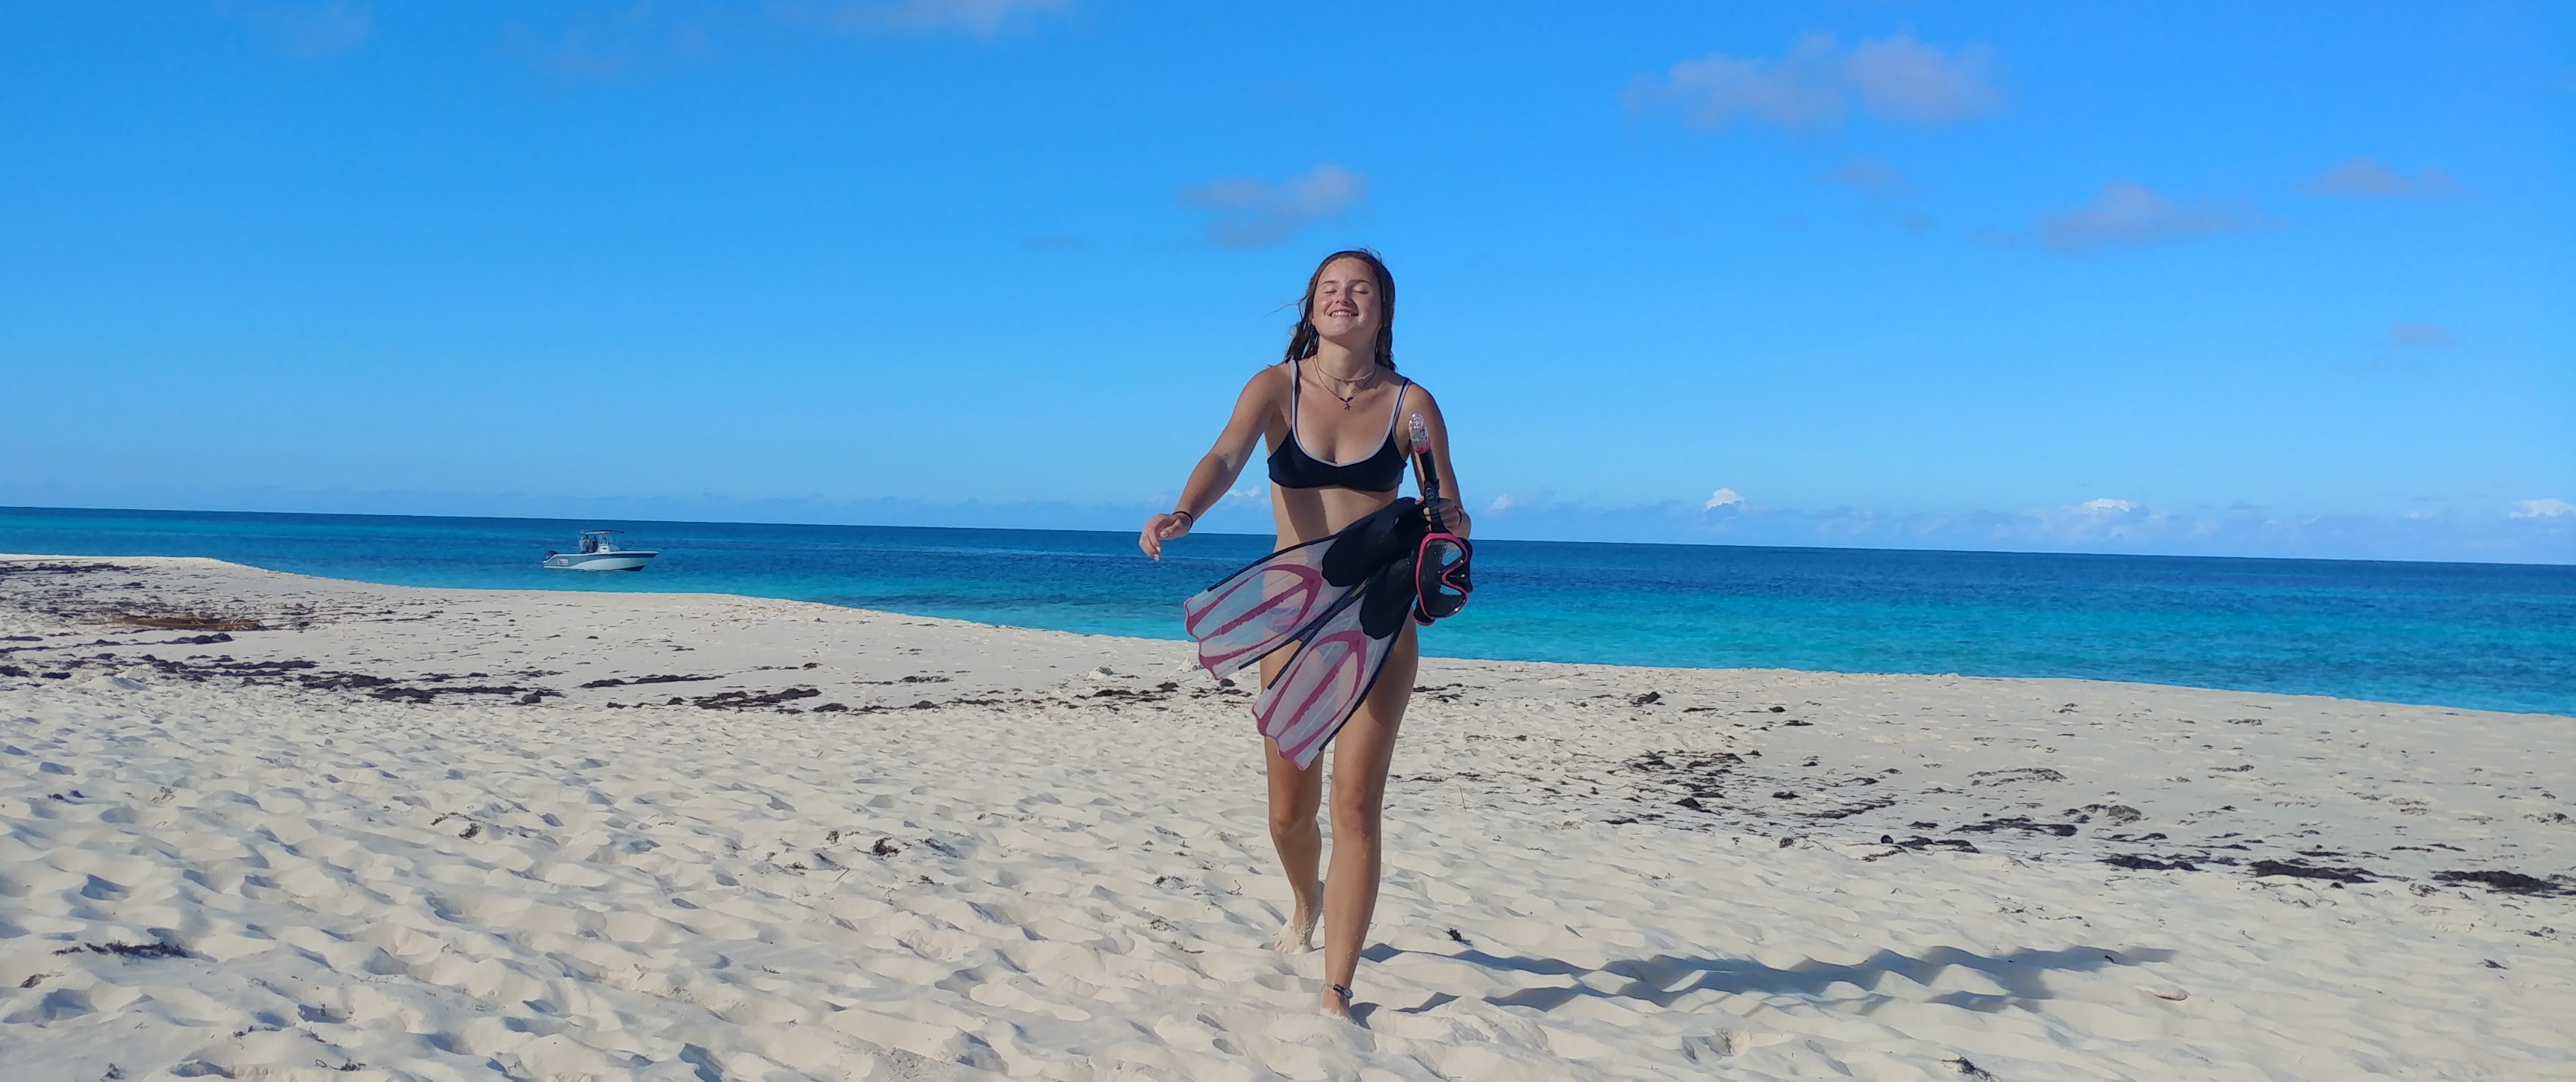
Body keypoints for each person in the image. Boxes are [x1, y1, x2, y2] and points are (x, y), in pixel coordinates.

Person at [1138, 249, 1469, 1020]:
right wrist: (1185, 511)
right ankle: (1304, 898)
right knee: (1290, 813)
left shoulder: (1413, 405)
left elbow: (1450, 506)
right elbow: (1225, 455)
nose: (1343, 298)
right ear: (1311, 305)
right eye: (1329, 288)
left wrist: (1452, 524)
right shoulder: (1275, 387)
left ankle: (1337, 988)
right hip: (1291, 618)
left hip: (1379, 617)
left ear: (1384, 310)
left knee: (1355, 806)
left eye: (1360, 289)